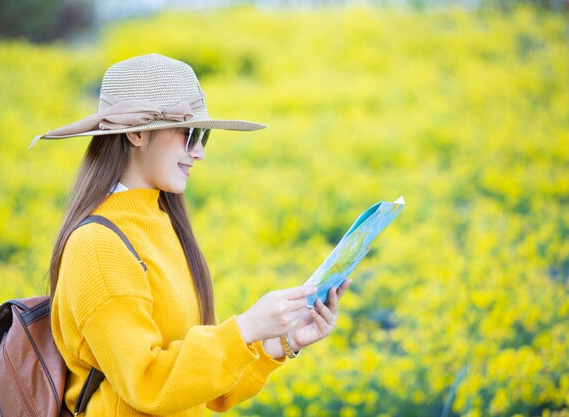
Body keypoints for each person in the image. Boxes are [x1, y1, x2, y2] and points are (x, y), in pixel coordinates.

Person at [31, 53, 351, 417]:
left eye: (204, 136)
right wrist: (245, 328)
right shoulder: (98, 245)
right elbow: (147, 384)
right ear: (136, 133)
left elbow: (205, 392)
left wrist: (284, 341)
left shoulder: (162, 221)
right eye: (190, 134)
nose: (198, 153)